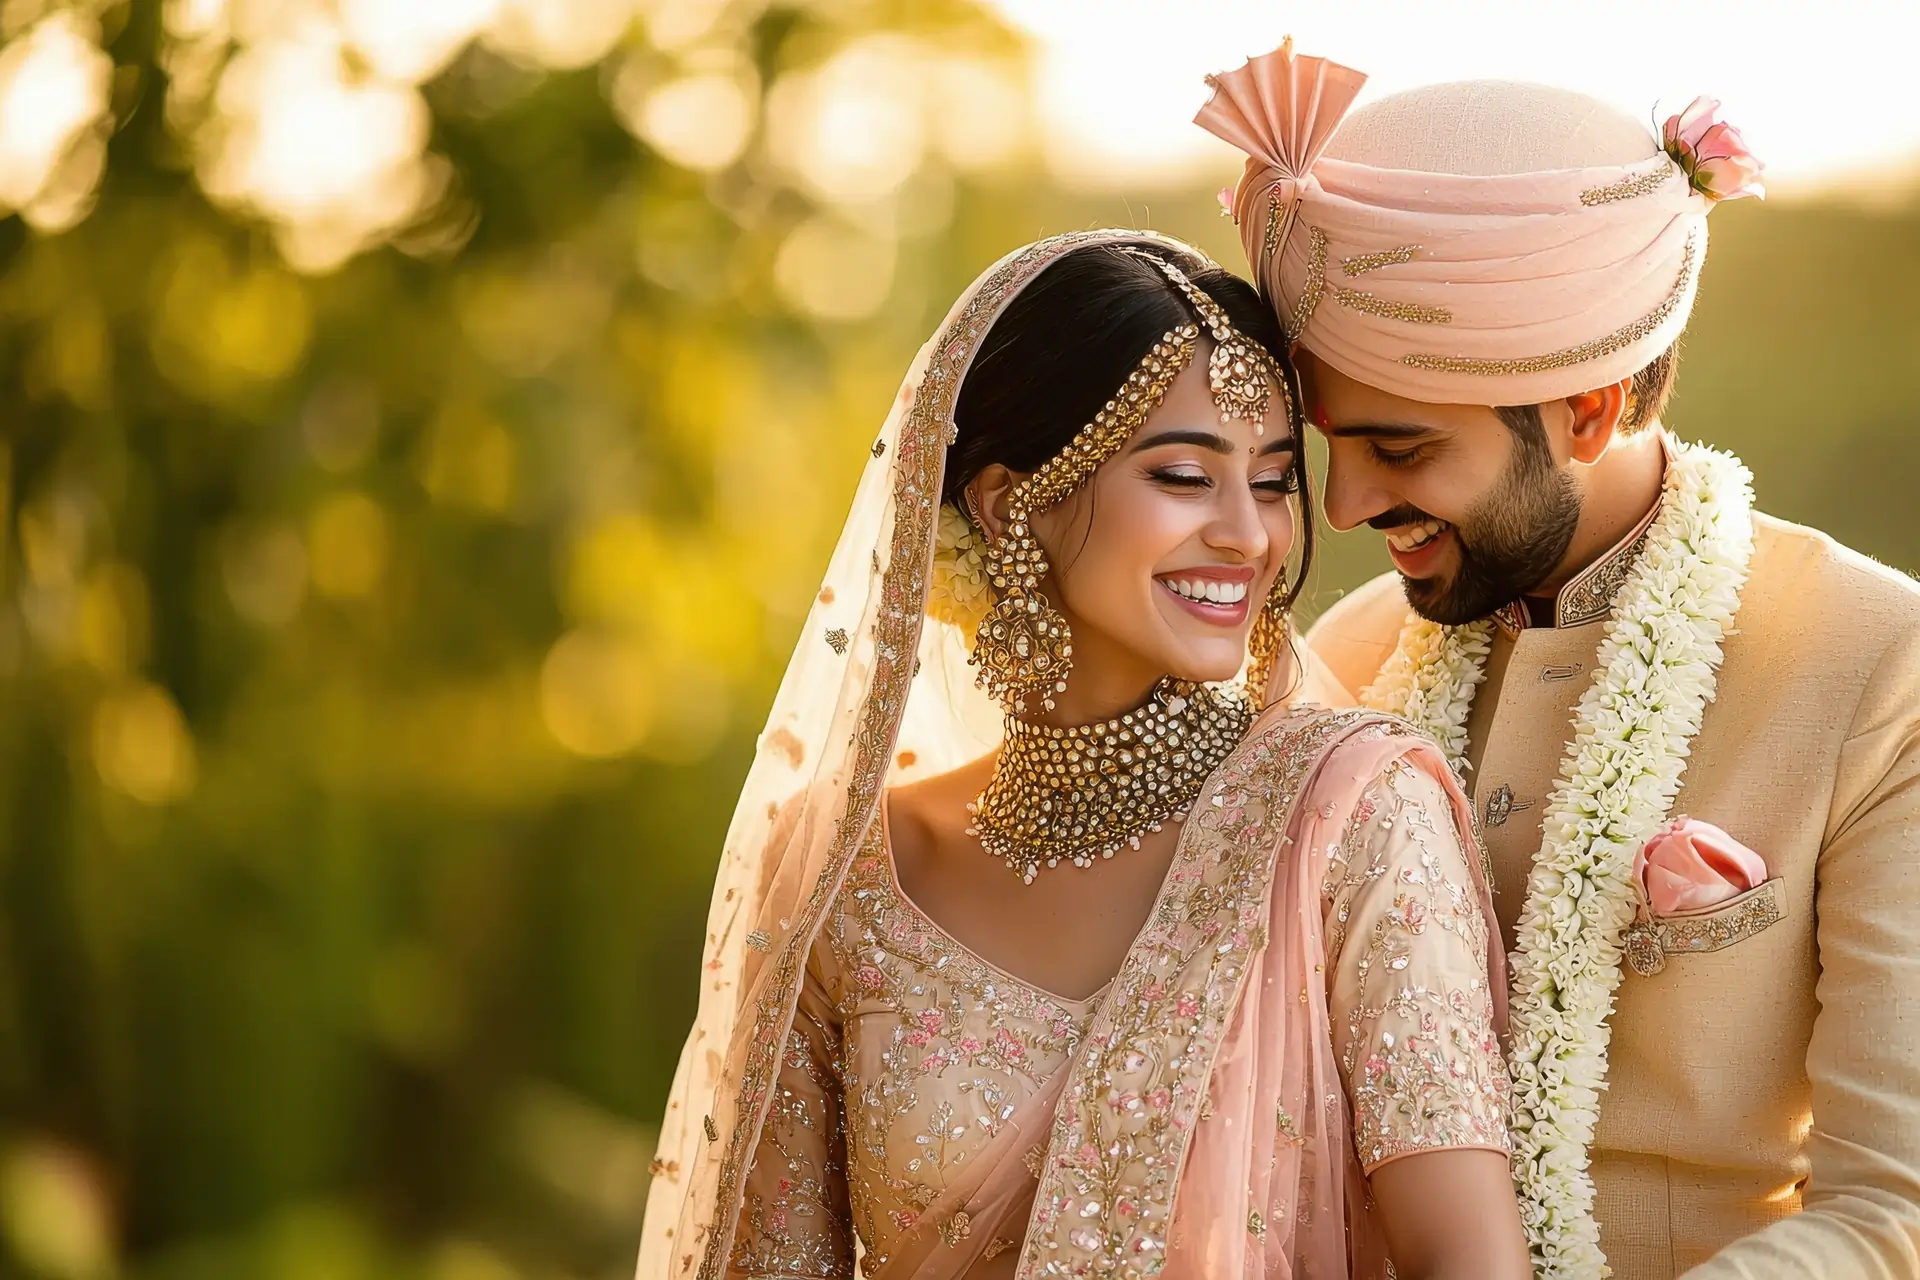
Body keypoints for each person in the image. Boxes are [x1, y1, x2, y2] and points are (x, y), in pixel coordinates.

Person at [634, 230, 1532, 1279]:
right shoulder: (853, 868)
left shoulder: (1348, 814)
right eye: (1188, 475)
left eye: (1277, 481)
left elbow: (1466, 1262)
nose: (1249, 534)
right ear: (1008, 497)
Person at [1201, 40, 1920, 1280]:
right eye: (1327, 442)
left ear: (1589, 408)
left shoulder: (1873, 664)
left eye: (1402, 446)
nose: (1343, 504)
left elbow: (1889, 1213)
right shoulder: (1349, 660)